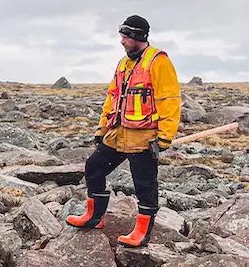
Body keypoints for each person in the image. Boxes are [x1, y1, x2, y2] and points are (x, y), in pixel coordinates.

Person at [66, 15, 182, 247]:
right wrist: (102, 128)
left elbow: (170, 100)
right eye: (122, 35)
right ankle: (94, 216)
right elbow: (112, 97)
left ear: (139, 36)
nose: (122, 41)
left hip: (143, 137)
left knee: (144, 184)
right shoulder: (123, 64)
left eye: (126, 36)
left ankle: (142, 232)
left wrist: (165, 137)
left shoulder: (158, 62)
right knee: (94, 168)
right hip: (117, 134)